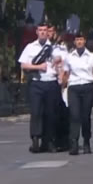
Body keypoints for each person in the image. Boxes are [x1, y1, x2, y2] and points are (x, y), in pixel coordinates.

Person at [19, 23, 62, 153]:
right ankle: (35, 140)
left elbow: (62, 64)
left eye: (45, 30)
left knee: (50, 114)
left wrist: (60, 71)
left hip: (51, 82)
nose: (43, 32)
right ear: (36, 32)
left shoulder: (55, 48)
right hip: (36, 83)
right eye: (41, 30)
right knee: (36, 112)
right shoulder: (30, 47)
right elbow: (23, 66)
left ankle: (48, 141)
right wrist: (38, 67)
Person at [63, 32, 93, 155]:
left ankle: (86, 141)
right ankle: (73, 142)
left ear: (85, 41)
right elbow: (66, 73)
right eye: (77, 39)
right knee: (74, 116)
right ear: (74, 42)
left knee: (85, 116)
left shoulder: (91, 56)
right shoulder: (69, 56)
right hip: (73, 87)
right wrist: (63, 85)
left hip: (87, 86)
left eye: (81, 39)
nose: (79, 41)